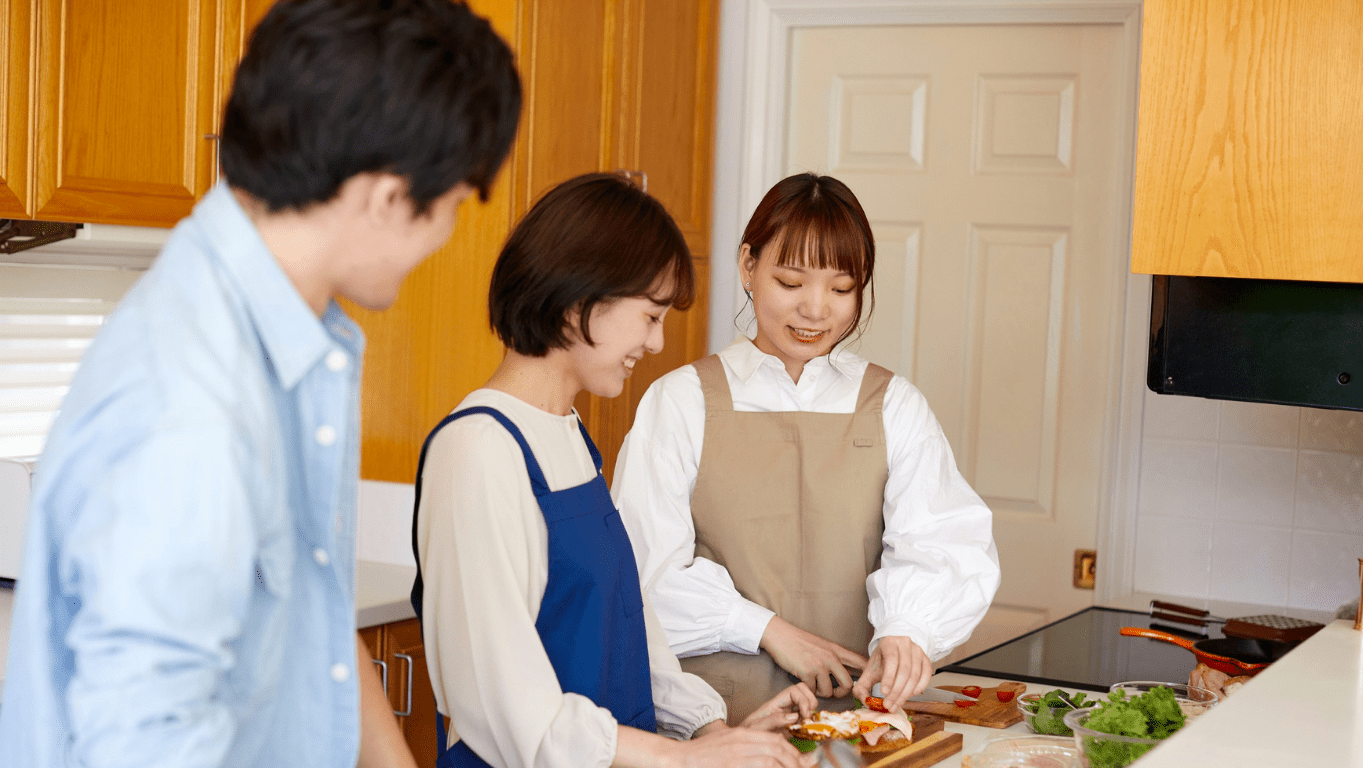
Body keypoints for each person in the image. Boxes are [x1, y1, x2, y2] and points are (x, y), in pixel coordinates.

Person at [0, 1, 521, 766]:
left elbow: (315, 622)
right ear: (387, 197)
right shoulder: (189, 396)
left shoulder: (294, 348)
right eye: (450, 206)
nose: (445, 236)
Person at [410, 173, 815, 768]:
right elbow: (505, 708)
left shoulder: (569, 434)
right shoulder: (478, 451)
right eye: (650, 316)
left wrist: (709, 731)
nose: (657, 343)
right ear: (581, 301)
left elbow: (630, 627)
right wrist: (678, 760)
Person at [612, 173, 1001, 723]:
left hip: (857, 725)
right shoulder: (681, 402)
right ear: (748, 266)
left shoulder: (893, 405)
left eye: (841, 289)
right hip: (715, 727)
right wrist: (770, 631)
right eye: (791, 282)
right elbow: (642, 576)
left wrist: (907, 630)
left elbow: (944, 542)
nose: (816, 310)